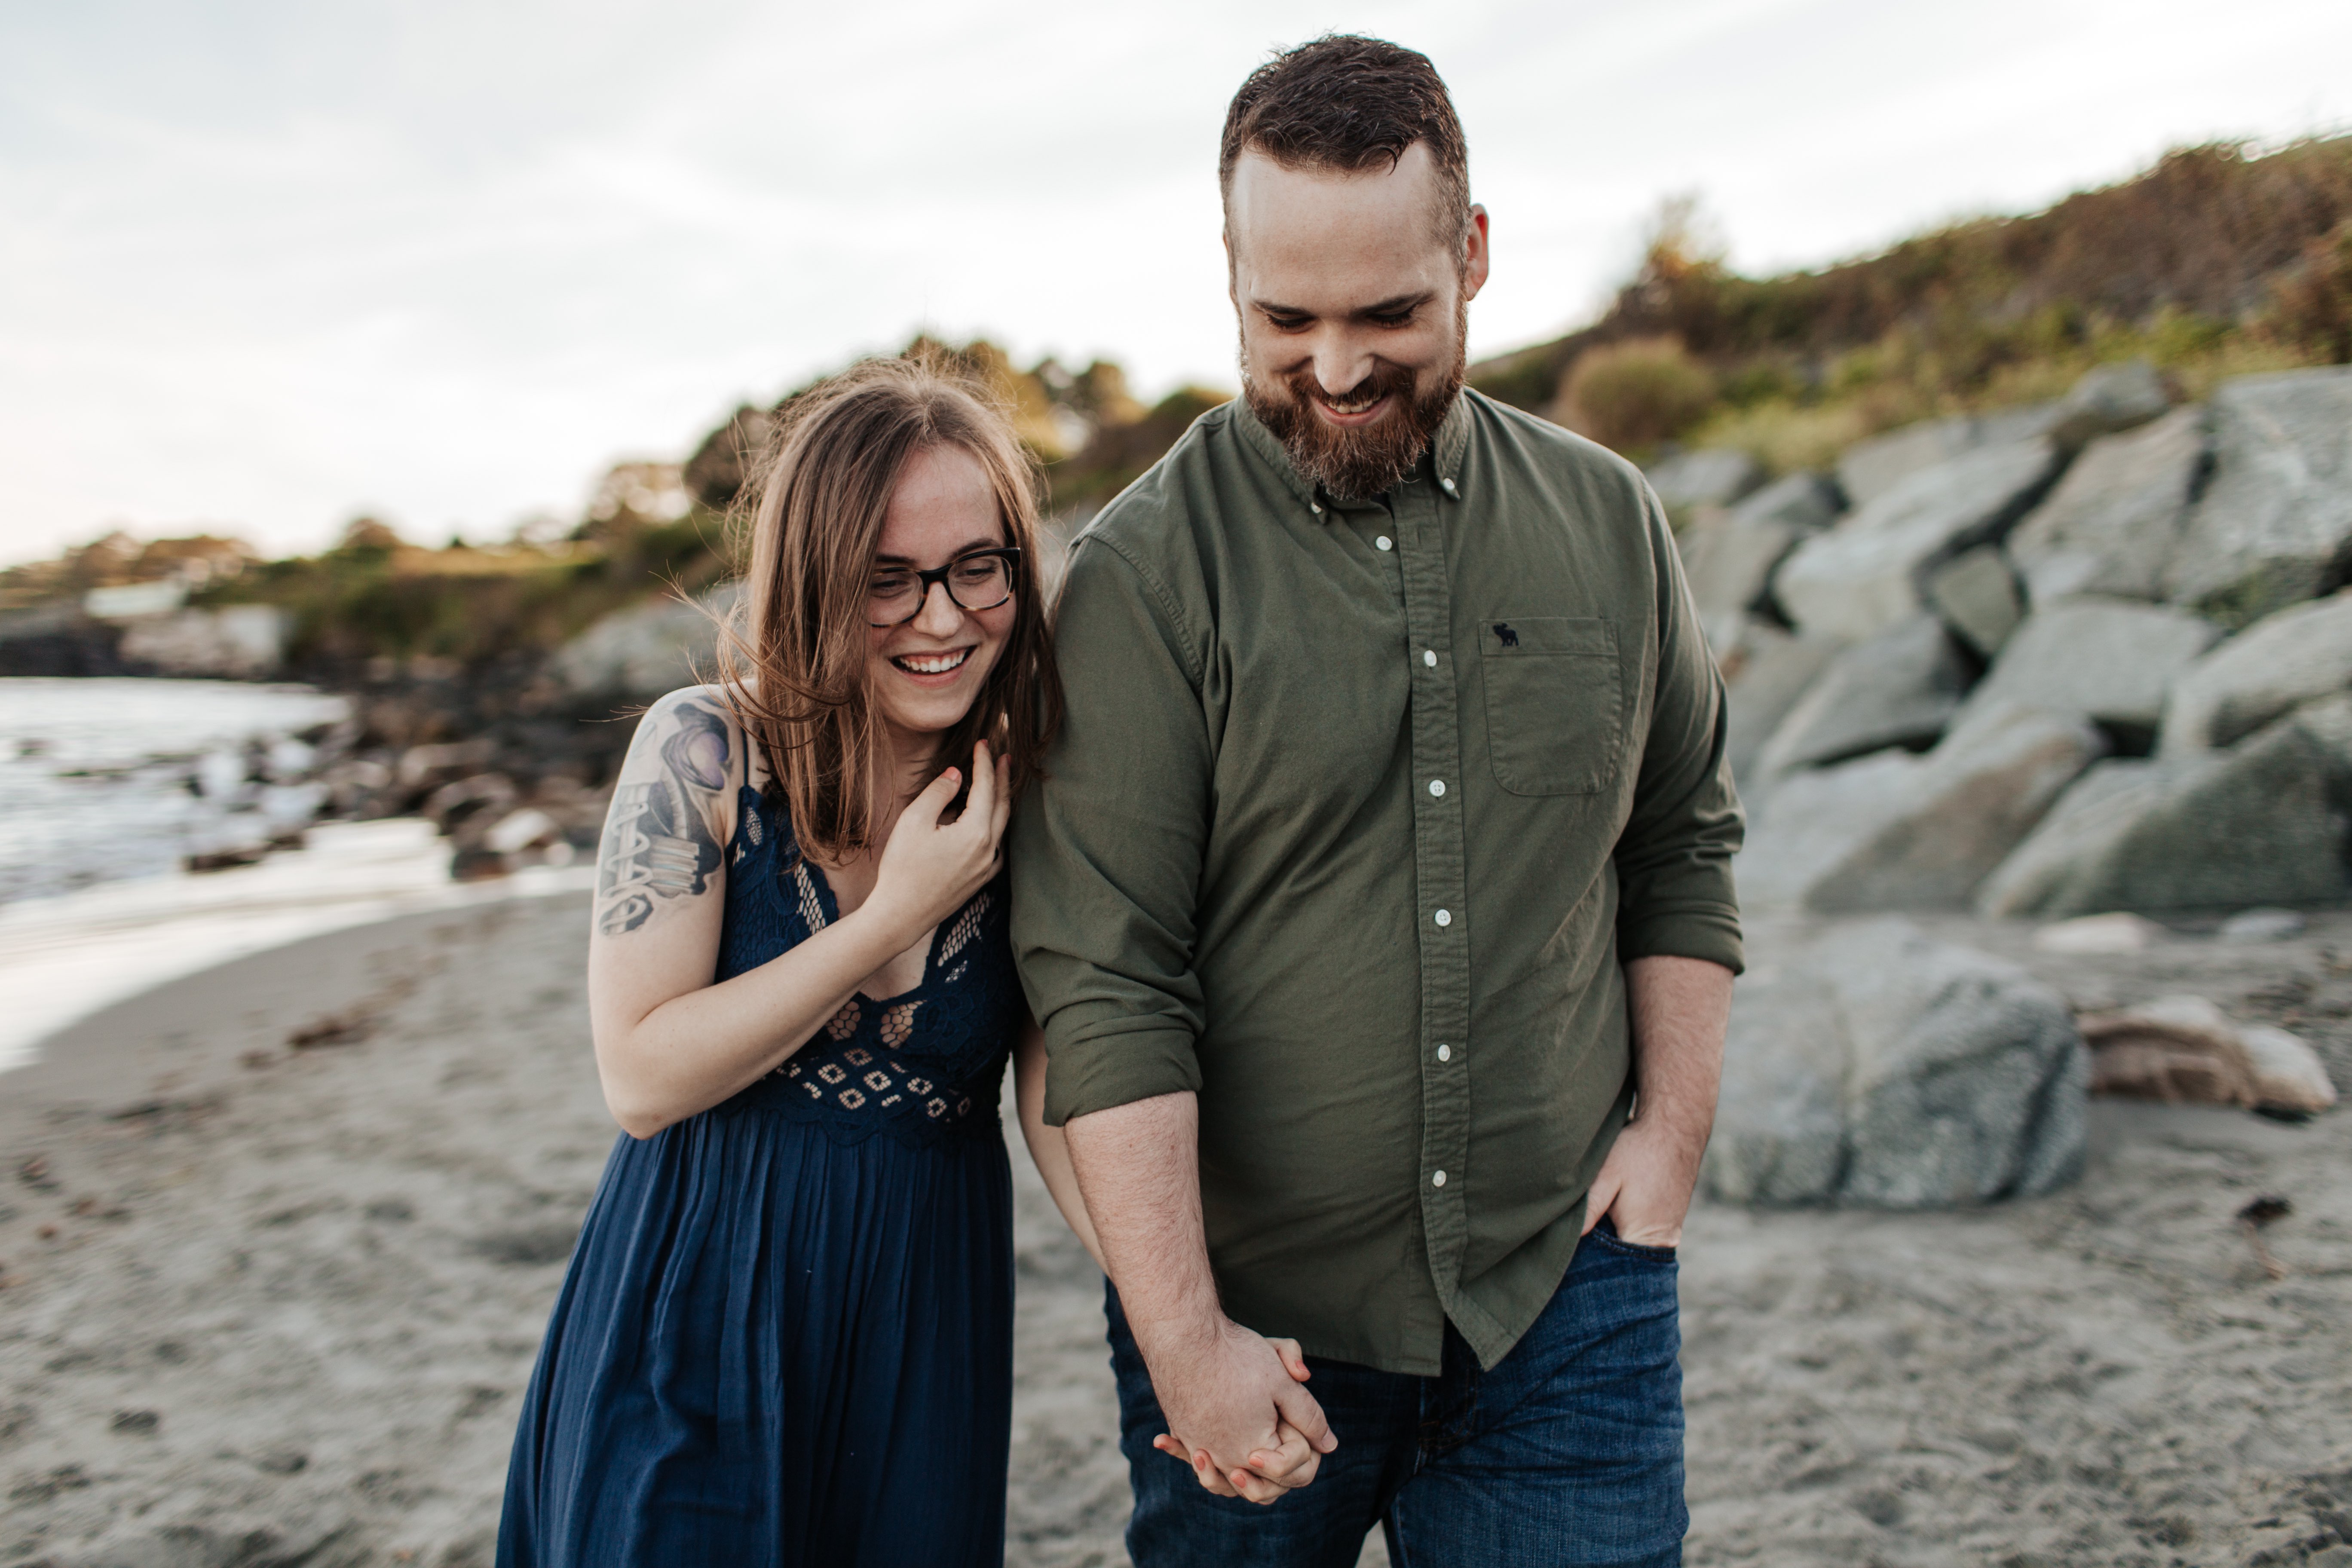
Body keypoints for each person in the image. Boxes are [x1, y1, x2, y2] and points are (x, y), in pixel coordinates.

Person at [1011, 34, 1744, 1568]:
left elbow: (1681, 839)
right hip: (1254, 1326)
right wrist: (1186, 1338)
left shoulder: (1609, 522)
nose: (1337, 368)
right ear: (1228, 273)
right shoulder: (1146, 580)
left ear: (1471, 253)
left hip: (1567, 1297)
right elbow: (1106, 980)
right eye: (1287, 319)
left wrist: (1670, 1140)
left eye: (1391, 314)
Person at [498, 355, 1101, 1567]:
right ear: (818, 583)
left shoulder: (1029, 788)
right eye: (888, 581)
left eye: (977, 568)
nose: (942, 617)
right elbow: (643, 1076)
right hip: (696, 1310)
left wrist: (1174, 1312)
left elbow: (1054, 1098)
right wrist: (890, 920)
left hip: (919, 1328)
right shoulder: (704, 752)